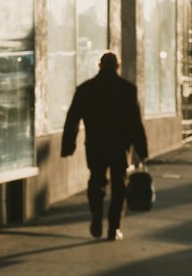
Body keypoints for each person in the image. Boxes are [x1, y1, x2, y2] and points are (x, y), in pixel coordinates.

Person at [61, 51, 148, 240]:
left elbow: (72, 119)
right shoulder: (127, 89)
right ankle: (113, 227)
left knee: (96, 181)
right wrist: (142, 150)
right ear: (117, 66)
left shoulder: (86, 89)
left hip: (95, 145)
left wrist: (68, 144)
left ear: (99, 66)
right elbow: (135, 123)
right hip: (119, 146)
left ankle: (96, 215)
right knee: (119, 186)